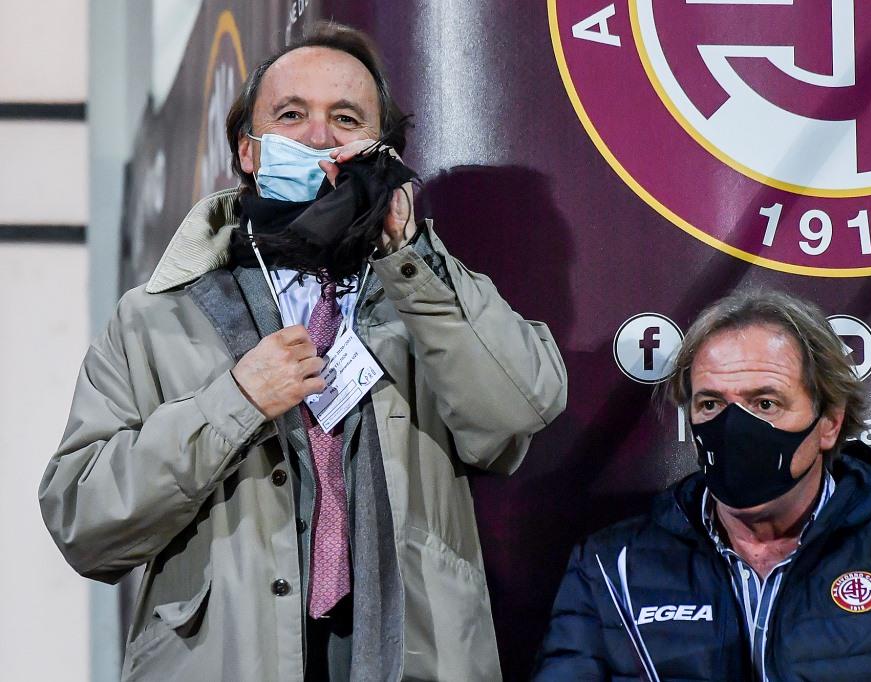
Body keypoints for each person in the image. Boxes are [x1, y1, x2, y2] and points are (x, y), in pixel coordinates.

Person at [39, 22, 567, 682]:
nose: (319, 137)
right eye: (291, 115)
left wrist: (410, 259)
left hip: (410, 656)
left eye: (346, 118)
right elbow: (85, 522)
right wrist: (234, 402)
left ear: (382, 149)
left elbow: (518, 413)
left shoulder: (426, 291)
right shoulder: (154, 316)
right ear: (249, 151)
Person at [534, 290, 871, 681]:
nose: (734, 428)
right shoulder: (611, 567)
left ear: (829, 422)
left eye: (765, 404)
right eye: (711, 404)